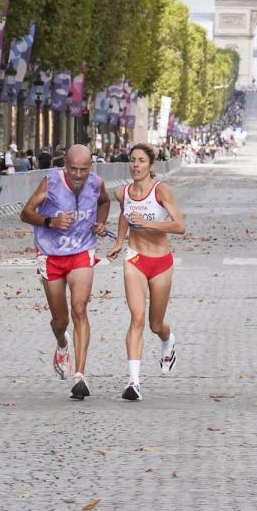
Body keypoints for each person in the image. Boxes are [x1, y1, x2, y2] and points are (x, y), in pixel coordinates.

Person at [20, 144, 110, 400]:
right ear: (65, 166)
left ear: (91, 166)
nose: (79, 175)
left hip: (82, 252)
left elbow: (104, 202)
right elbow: (25, 213)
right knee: (61, 321)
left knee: (80, 308)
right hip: (51, 255)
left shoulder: (97, 183)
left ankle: (80, 375)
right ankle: (61, 343)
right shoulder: (50, 182)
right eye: (73, 169)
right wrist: (51, 222)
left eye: (83, 169)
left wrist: (101, 223)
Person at [107, 143, 186, 401]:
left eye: (141, 161)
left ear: (151, 166)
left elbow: (179, 226)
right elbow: (124, 215)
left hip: (161, 261)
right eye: (132, 160)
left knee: (155, 324)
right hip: (135, 259)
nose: (136, 165)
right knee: (137, 318)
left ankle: (168, 340)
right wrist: (119, 241)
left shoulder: (161, 191)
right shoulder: (123, 192)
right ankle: (134, 382)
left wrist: (148, 223)